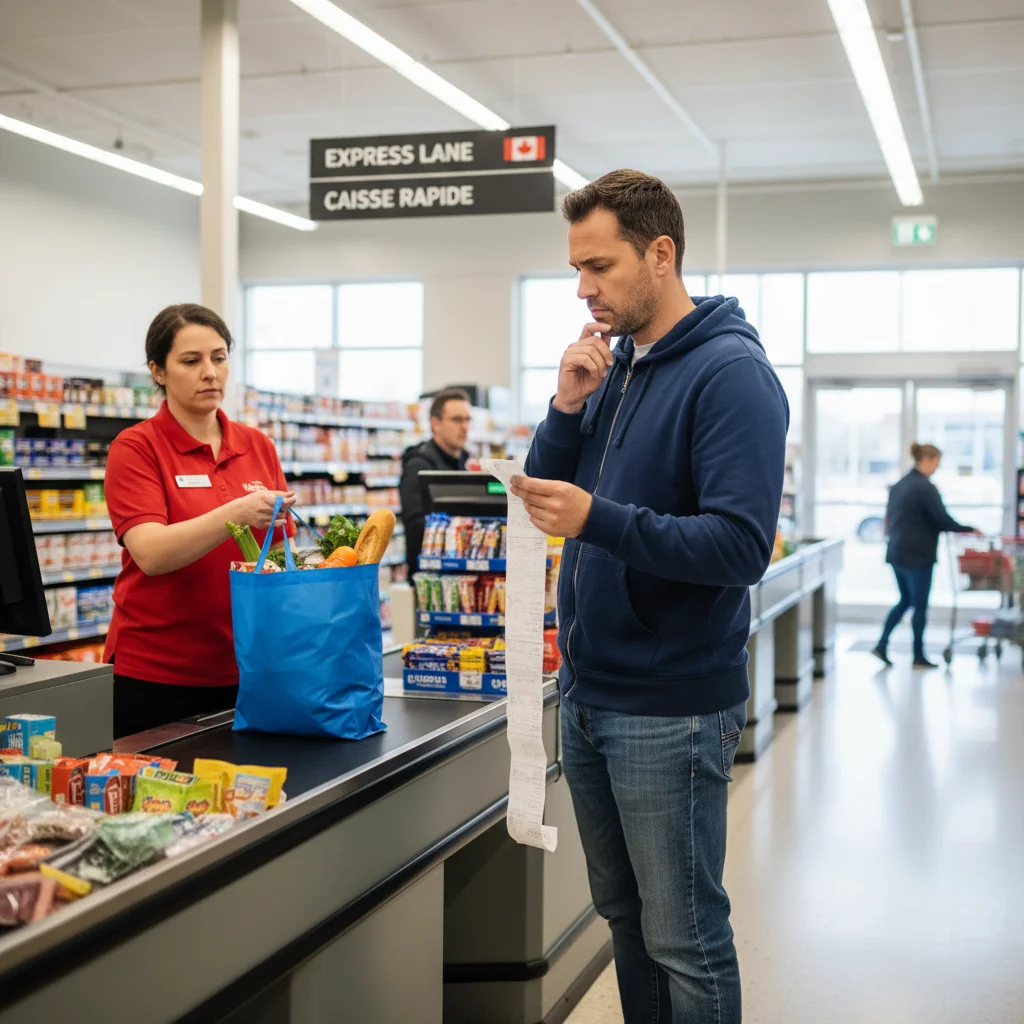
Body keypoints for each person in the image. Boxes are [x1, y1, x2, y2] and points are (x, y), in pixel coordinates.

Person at [511, 170, 788, 1024]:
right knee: (624, 918)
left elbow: (740, 547)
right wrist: (565, 407)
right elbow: (545, 491)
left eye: (598, 266)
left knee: (685, 938)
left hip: (670, 705)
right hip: (592, 691)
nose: (584, 289)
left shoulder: (731, 375)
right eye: (576, 270)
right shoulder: (619, 367)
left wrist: (605, 520)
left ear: (660, 255)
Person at [103, 304, 296, 740]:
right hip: (156, 675)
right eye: (191, 361)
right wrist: (237, 514)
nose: (210, 372)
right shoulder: (136, 448)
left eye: (219, 357)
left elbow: (280, 552)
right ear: (158, 371)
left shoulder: (257, 445)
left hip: (248, 666)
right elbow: (151, 554)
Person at [872, 442, 977, 669]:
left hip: (897, 552)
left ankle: (881, 645)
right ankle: (918, 655)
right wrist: (969, 529)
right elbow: (942, 519)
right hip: (917, 555)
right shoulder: (926, 488)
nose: (937, 467)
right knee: (919, 605)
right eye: (937, 462)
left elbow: (889, 517)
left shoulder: (900, 484)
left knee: (905, 601)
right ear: (927, 459)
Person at [399, 388, 471, 577]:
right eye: (457, 419)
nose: (465, 427)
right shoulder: (418, 466)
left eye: (467, 419)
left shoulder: (464, 463)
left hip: (462, 574)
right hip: (430, 580)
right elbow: (415, 526)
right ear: (435, 423)